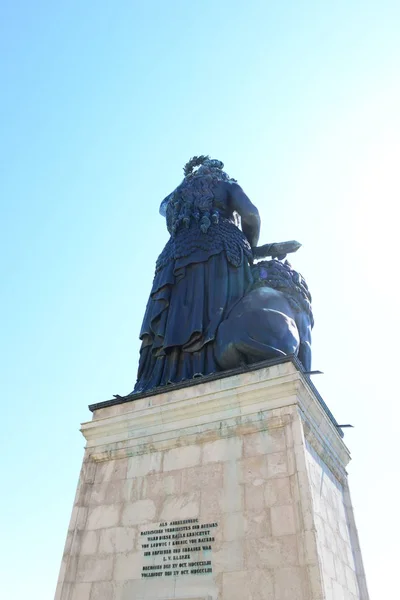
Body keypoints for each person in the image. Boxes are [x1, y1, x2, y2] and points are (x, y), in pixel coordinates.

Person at [133, 156, 260, 393]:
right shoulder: (228, 186)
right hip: (220, 247)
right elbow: (251, 214)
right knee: (216, 310)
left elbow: (163, 207)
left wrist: (185, 183)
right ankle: (214, 367)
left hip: (174, 256)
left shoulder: (176, 199)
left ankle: (161, 378)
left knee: (175, 316)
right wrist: (252, 247)